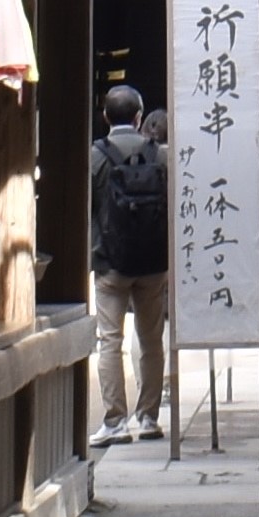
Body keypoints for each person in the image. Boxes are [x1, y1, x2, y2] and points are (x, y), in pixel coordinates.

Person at [88, 82, 170, 446]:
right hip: (152, 262)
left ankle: (115, 421)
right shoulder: (160, 155)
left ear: (105, 116)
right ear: (139, 118)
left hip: (110, 263)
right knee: (151, 339)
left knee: (110, 340)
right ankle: (149, 417)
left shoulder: (95, 155)